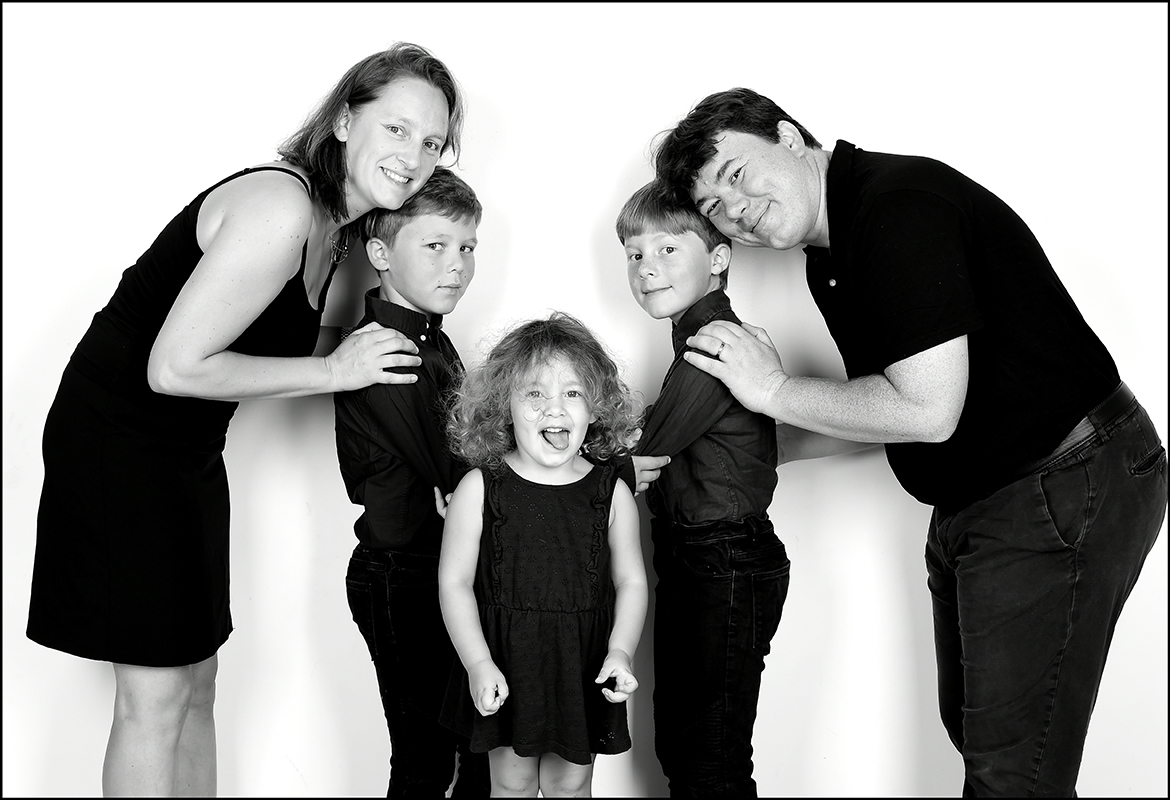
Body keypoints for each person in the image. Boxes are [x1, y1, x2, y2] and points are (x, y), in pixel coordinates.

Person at [650, 86, 1168, 796]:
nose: (733, 208)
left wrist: (771, 389)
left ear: (789, 137)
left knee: (1013, 773)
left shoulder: (897, 207)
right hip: (987, 496)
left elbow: (925, 410)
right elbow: (884, 403)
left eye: (736, 174)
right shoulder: (833, 246)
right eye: (713, 206)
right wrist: (755, 442)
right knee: (996, 749)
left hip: (1058, 479)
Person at [26, 43, 465, 796]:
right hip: (119, 445)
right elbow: (174, 368)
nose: (414, 156)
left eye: (432, 142)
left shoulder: (335, 228)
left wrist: (374, 342)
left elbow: (261, 338)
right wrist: (336, 371)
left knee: (198, 679)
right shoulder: (282, 207)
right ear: (344, 120)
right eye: (396, 128)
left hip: (187, 449)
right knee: (156, 696)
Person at [615, 180, 790, 797]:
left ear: (718, 258)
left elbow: (641, 456)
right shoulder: (695, 342)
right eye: (634, 254)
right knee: (684, 749)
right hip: (696, 557)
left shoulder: (715, 343)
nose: (646, 268)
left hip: (726, 559)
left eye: (667, 249)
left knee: (709, 761)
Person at [437, 312, 648, 797]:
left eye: (572, 393)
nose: (555, 408)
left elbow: (632, 582)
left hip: (582, 662)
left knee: (570, 784)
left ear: (596, 407)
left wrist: (620, 652)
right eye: (534, 393)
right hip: (506, 659)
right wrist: (477, 663)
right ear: (503, 406)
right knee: (511, 784)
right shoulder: (478, 488)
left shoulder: (611, 492)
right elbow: (454, 583)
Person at [333, 167, 489, 797]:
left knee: (474, 753)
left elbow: (468, 471)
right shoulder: (387, 351)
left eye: (468, 247)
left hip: (440, 567)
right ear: (380, 254)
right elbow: (460, 472)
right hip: (402, 574)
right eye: (435, 245)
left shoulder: (432, 342)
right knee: (427, 762)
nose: (457, 265)